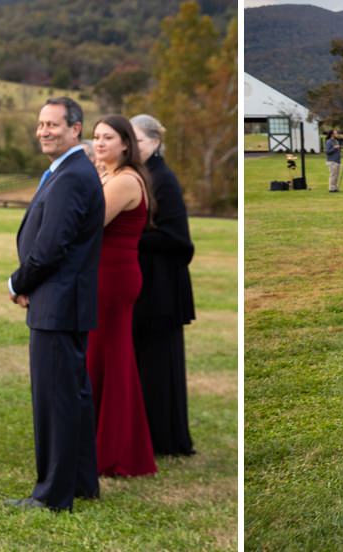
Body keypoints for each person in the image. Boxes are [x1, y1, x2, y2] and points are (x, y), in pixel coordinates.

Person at [5, 97, 103, 511]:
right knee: (72, 396)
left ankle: (53, 494)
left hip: (58, 302)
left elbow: (50, 247)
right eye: (41, 124)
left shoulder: (73, 176)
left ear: (76, 129)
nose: (44, 131)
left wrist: (18, 282)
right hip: (59, 300)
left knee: (56, 400)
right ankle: (81, 482)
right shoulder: (66, 171)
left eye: (53, 125)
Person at [86, 115, 157, 478]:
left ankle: (113, 450)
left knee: (109, 359)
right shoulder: (108, 176)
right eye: (96, 137)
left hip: (112, 278)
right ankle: (102, 438)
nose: (99, 143)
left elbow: (87, 223)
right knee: (104, 358)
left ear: (126, 144)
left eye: (108, 137)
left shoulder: (126, 180)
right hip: (103, 275)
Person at [128, 114, 195, 457]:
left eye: (136, 140)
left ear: (154, 141)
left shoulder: (162, 180)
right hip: (146, 280)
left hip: (162, 284)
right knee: (144, 360)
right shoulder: (141, 175)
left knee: (159, 362)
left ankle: (165, 437)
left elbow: (178, 239)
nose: (131, 146)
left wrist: (129, 237)